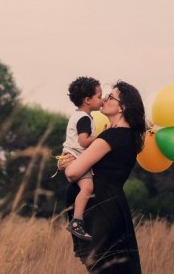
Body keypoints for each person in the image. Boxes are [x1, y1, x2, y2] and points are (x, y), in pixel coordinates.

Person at [60, 80, 146, 273]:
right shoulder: (130, 137)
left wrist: (66, 164)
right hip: (113, 206)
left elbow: (73, 172)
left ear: (122, 107)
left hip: (101, 210)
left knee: (105, 267)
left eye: (110, 96)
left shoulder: (110, 137)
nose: (105, 99)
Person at [62, 76, 104, 241]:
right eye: (99, 97)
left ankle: (77, 220)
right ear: (87, 100)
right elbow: (84, 141)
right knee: (87, 188)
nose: (102, 100)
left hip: (72, 158)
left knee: (86, 188)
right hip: (75, 160)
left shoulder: (79, 116)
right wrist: (102, 136)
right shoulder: (84, 118)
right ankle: (76, 222)